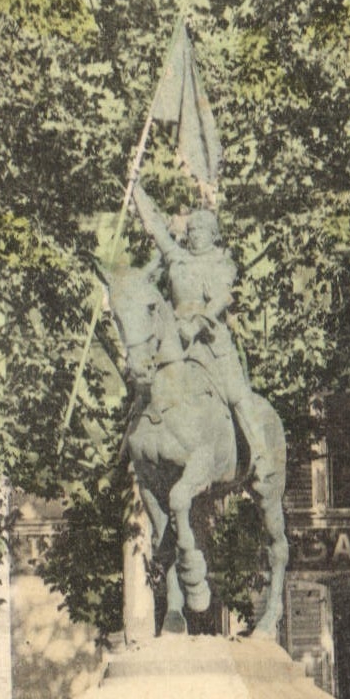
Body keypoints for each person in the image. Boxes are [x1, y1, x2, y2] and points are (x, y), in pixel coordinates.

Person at [130, 180, 273, 477]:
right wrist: (135, 191)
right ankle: (127, 453)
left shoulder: (222, 262)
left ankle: (260, 453)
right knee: (144, 389)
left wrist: (196, 324)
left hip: (210, 339)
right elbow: (157, 229)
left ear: (212, 235)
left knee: (236, 393)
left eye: (202, 232)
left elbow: (221, 297)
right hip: (174, 341)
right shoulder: (177, 259)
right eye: (191, 231)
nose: (195, 236)